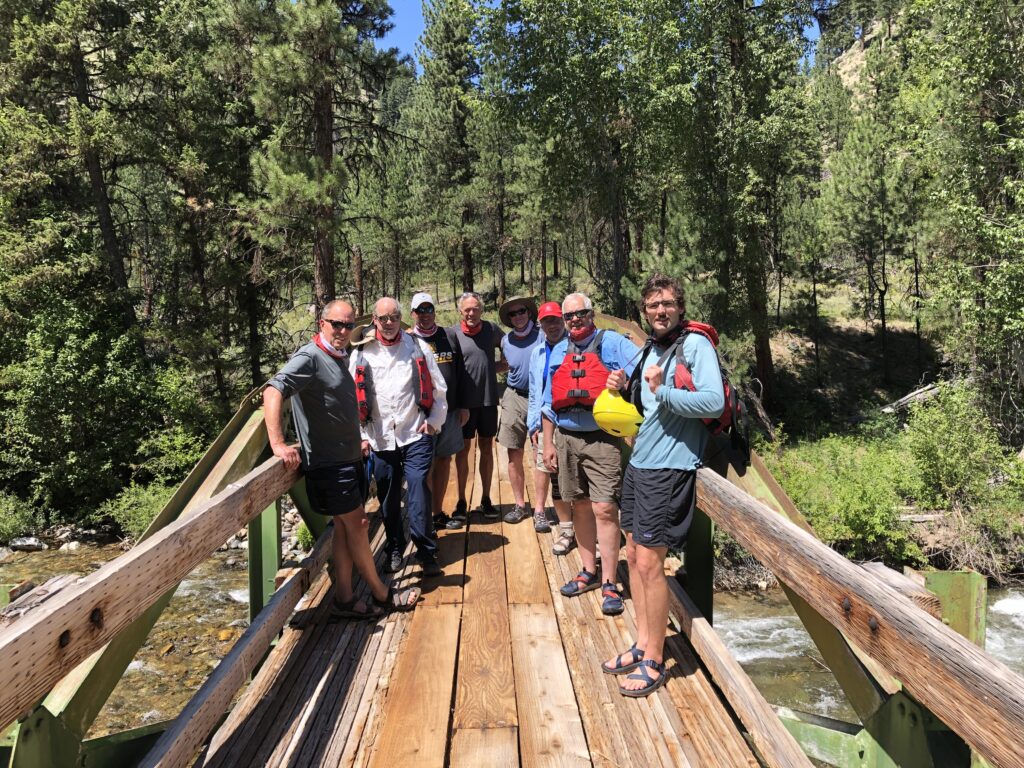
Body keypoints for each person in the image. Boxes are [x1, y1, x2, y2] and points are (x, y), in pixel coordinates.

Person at [602, 274, 725, 697]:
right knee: (634, 555)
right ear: (645, 310)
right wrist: (625, 389)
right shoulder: (650, 348)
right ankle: (642, 641)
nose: (660, 311)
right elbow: (645, 406)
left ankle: (655, 659)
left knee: (652, 563)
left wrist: (665, 390)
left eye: (667, 304)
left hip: (669, 468)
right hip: (640, 463)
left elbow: (713, 401)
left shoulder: (695, 346)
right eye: (653, 305)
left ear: (680, 307)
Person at [263, 299, 419, 619]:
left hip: (348, 459)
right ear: (322, 324)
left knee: (346, 530)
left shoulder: (338, 355)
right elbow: (273, 390)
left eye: (348, 325)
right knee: (359, 524)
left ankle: (344, 599)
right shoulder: (310, 357)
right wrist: (277, 443)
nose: (344, 331)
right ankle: (382, 594)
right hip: (330, 465)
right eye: (337, 324)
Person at [541, 293, 639, 615]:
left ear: (591, 313)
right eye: (569, 316)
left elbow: (644, 369)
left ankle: (610, 582)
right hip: (567, 438)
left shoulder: (612, 343)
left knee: (605, 508)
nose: (574, 320)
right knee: (579, 505)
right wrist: (548, 443)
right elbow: (548, 401)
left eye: (580, 314)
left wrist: (624, 383)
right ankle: (588, 571)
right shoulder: (557, 351)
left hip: (602, 440)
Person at [351, 297, 448, 577]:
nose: (390, 323)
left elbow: (439, 390)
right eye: (384, 318)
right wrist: (361, 435)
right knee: (389, 496)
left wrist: (433, 423)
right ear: (374, 319)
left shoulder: (417, 348)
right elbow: (350, 397)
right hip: (380, 437)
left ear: (401, 317)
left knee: (417, 489)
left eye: (394, 317)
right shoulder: (362, 352)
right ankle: (394, 546)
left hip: (415, 432)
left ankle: (426, 551)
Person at [408, 292, 469, 533]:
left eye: (428, 309)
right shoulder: (408, 340)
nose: (425, 315)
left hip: (450, 410)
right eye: (420, 310)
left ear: (435, 311)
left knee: (444, 459)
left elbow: (461, 372)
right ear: (413, 314)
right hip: (419, 413)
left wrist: (464, 405)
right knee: (423, 464)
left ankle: (437, 512)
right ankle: (422, 515)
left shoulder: (449, 335)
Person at [446, 291, 505, 529]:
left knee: (487, 449)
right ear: (460, 310)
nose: (471, 313)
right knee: (463, 451)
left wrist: (497, 367)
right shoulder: (453, 334)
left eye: (476, 309)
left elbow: (509, 346)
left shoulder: (492, 330)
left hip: (489, 401)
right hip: (464, 403)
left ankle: (486, 498)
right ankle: (461, 500)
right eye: (467, 309)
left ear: (482, 310)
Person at [527, 301, 574, 549]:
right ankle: (544, 513)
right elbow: (535, 390)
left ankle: (577, 525)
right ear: (541, 325)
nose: (552, 326)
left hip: (568, 418)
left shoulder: (574, 346)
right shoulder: (538, 352)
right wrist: (533, 424)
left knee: (567, 472)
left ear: (564, 320)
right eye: (547, 321)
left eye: (556, 320)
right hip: (544, 419)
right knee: (544, 465)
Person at [496, 296, 541, 523]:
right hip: (513, 396)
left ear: (529, 312)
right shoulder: (506, 341)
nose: (518, 316)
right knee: (514, 452)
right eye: (512, 314)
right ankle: (520, 505)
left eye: (521, 311)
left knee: (540, 454)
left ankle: (541, 509)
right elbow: (504, 364)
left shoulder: (543, 335)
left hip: (540, 398)